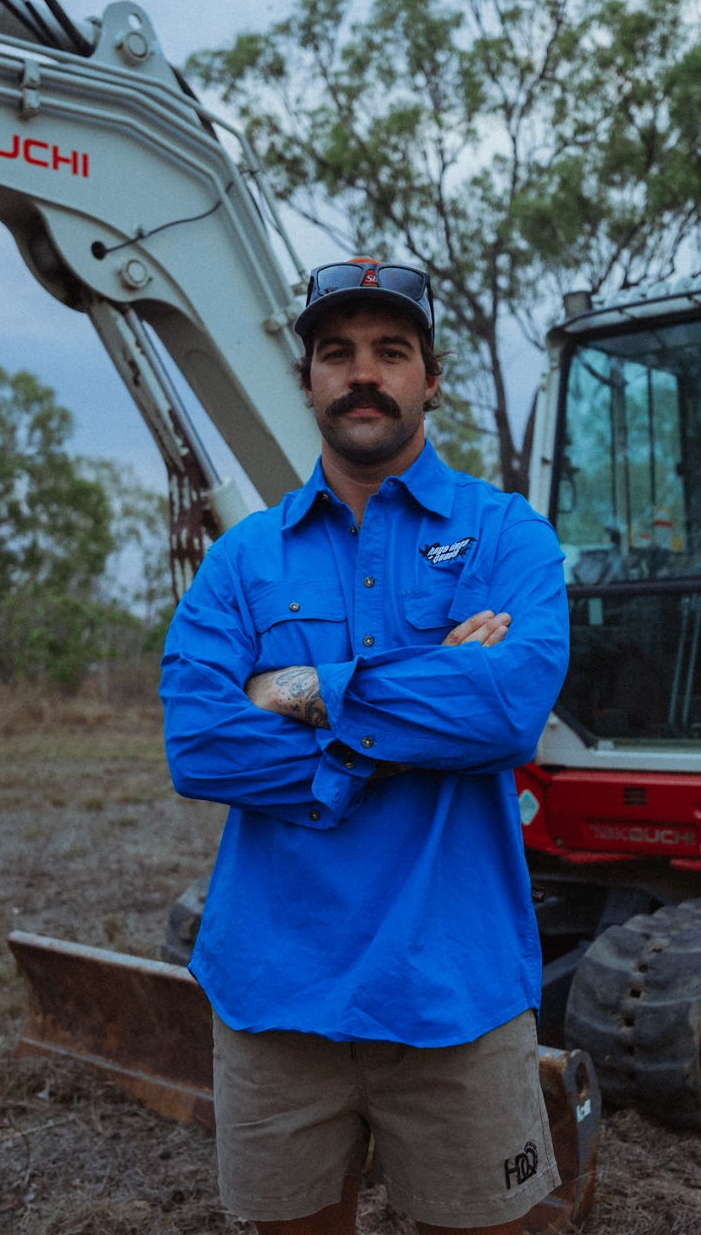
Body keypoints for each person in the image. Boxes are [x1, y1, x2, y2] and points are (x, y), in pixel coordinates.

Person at [159, 258, 571, 1235]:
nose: (363, 374)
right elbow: (200, 741)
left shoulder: (507, 535)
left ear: (432, 379)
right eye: (337, 353)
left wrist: (296, 692)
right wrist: (426, 696)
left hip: (456, 991)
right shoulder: (244, 557)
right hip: (274, 994)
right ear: (307, 380)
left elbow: (505, 711)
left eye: (392, 350)